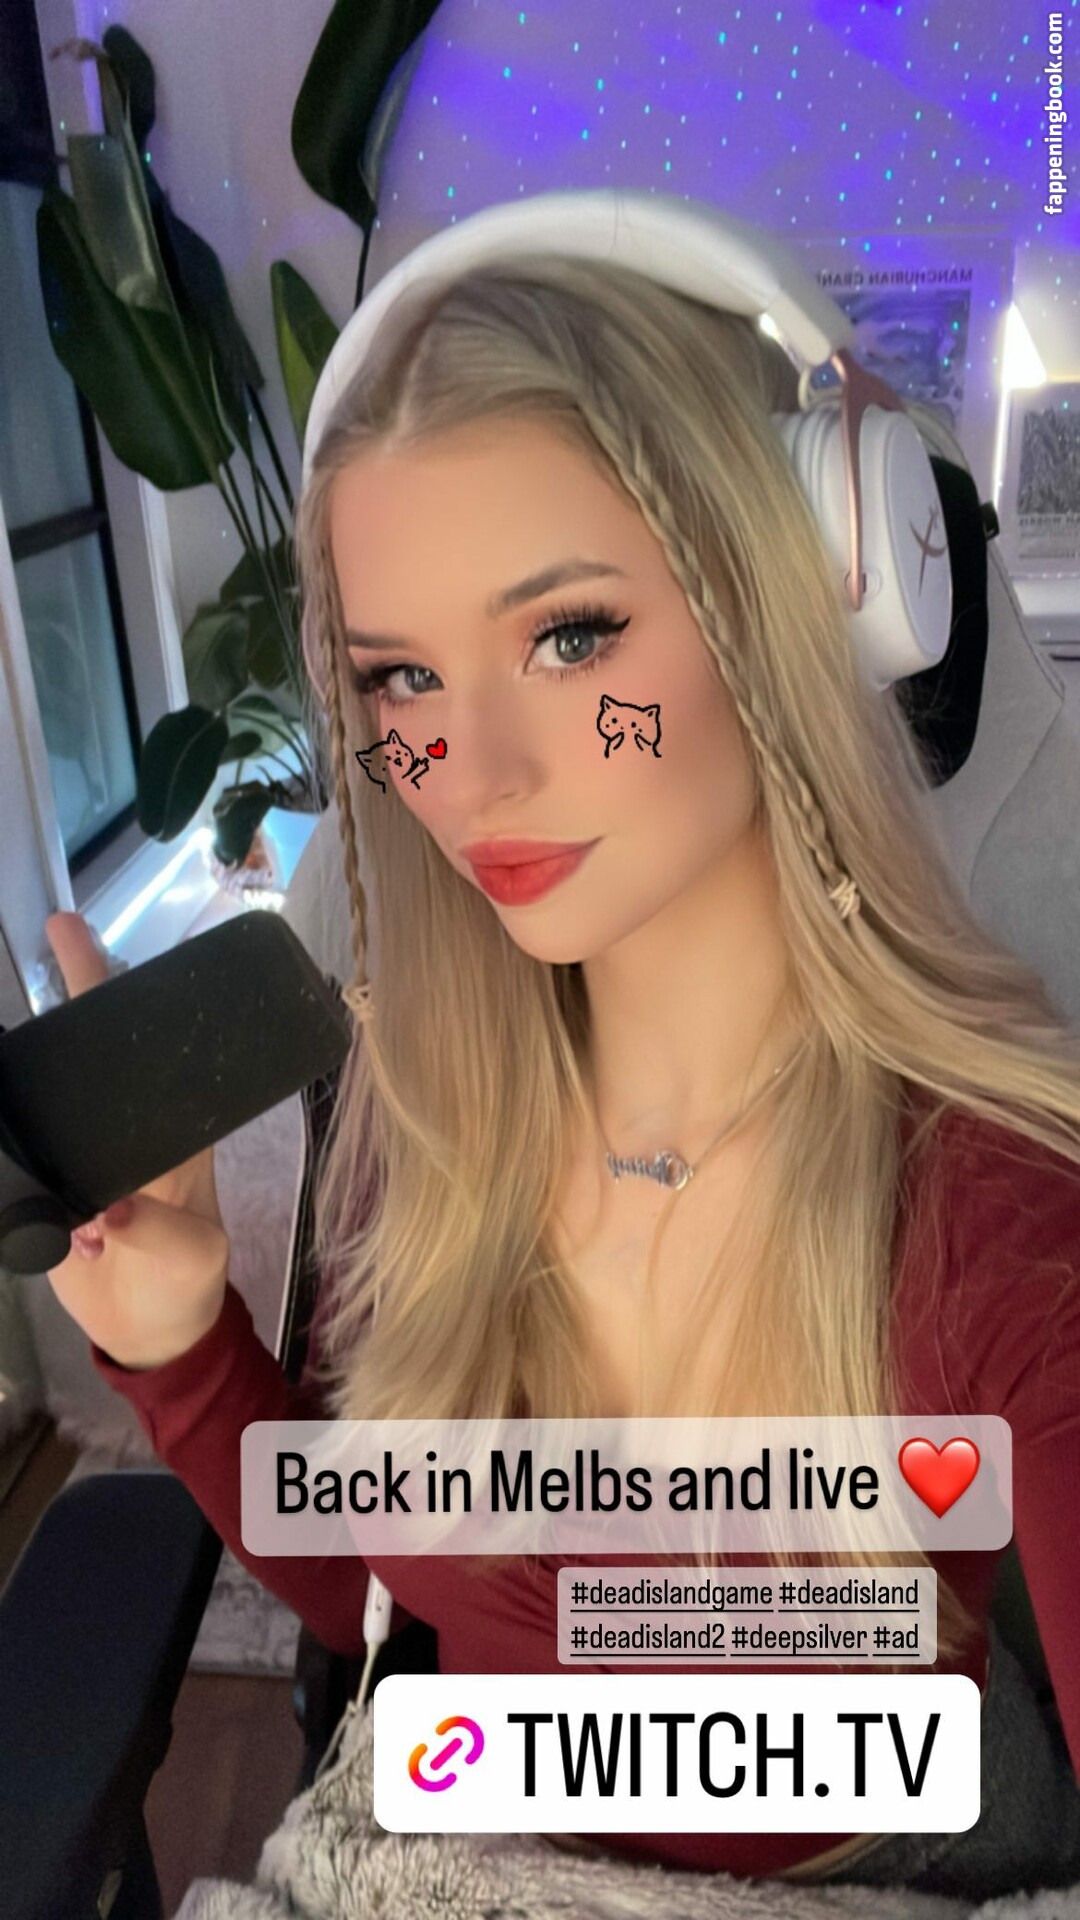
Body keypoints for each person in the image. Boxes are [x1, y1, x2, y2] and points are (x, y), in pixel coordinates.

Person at [43, 201, 1080, 1901]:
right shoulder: (431, 1123)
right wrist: (182, 1355)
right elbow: (406, 1603)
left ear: (805, 599)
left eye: (572, 635)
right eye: (399, 678)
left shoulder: (991, 1214)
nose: (473, 771)